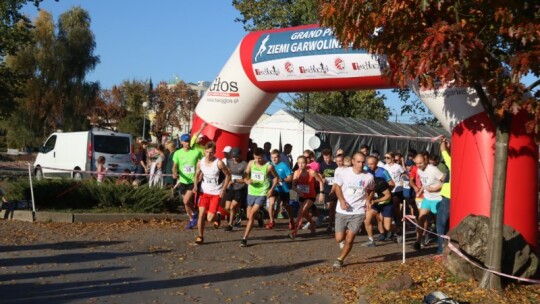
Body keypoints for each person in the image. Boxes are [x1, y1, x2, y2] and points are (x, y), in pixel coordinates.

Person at [332, 152, 374, 269]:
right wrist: (341, 200)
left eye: (363, 162)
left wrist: (368, 199)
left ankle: (340, 259)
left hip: (358, 211)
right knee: (339, 238)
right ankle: (345, 235)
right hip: (342, 210)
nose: (361, 164)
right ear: (353, 161)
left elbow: (371, 189)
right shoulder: (344, 173)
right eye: (358, 162)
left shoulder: (368, 177)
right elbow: (337, 187)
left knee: (350, 238)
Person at [193, 141, 231, 245]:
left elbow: (228, 175)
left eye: (211, 152)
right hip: (204, 192)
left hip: (216, 193)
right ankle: (200, 236)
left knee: (210, 218)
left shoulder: (218, 163)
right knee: (201, 215)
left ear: (214, 152)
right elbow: (196, 175)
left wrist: (223, 189)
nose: (209, 154)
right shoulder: (200, 162)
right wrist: (195, 185)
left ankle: (217, 217)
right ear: (204, 152)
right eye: (207, 152)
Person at [240, 147, 278, 247]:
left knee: (251, 215)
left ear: (264, 156)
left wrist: (271, 189)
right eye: (256, 158)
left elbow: (276, 178)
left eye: (260, 158)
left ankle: (244, 238)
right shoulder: (251, 163)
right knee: (248, 216)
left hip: (262, 192)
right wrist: (247, 180)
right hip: (251, 191)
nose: (258, 160)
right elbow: (245, 175)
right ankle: (260, 215)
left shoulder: (268, 166)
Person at [289, 155, 325, 240]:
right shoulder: (296, 173)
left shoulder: (311, 172)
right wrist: (298, 191)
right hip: (302, 195)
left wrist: (321, 193)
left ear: (306, 163)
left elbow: (320, 181)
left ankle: (295, 231)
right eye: (299, 163)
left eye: (303, 163)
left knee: (301, 211)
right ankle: (312, 223)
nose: (301, 165)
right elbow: (293, 186)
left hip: (311, 196)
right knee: (304, 212)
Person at [413, 154, 444, 251]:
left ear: (425, 160)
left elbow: (446, 181)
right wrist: (420, 191)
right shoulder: (418, 170)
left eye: (420, 163)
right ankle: (418, 241)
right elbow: (424, 182)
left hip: (437, 199)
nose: (418, 165)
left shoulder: (433, 170)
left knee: (439, 223)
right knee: (421, 219)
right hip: (427, 198)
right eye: (417, 163)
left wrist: (435, 189)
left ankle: (441, 245)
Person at [172, 134, 203, 229]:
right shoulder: (177, 153)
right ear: (181, 142)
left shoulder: (196, 152)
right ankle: (191, 219)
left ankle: (194, 214)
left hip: (192, 181)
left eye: (188, 141)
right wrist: (174, 172)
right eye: (185, 141)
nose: (187, 143)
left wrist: (200, 175)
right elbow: (174, 166)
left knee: (186, 201)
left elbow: (201, 164)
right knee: (186, 203)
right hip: (183, 181)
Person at [267, 149, 294, 230]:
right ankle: (272, 221)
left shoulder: (284, 165)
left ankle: (291, 219)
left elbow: (290, 178)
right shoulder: (269, 165)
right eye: (272, 157)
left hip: (283, 189)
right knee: (271, 204)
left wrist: (282, 180)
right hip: (274, 188)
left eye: (276, 157)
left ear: (279, 157)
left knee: (286, 205)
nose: (274, 159)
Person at [362, 177, 393, 247]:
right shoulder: (363, 182)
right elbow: (367, 194)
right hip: (375, 204)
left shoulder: (381, 183)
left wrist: (375, 201)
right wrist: (368, 201)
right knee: (367, 220)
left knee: (387, 227)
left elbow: (388, 196)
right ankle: (371, 240)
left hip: (386, 204)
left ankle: (397, 230)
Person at [224, 147, 248, 231]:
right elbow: (228, 173)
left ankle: (230, 224)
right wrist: (227, 183)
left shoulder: (244, 164)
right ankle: (239, 212)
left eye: (236, 157)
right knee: (227, 207)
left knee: (232, 207)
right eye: (233, 156)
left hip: (241, 187)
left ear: (240, 156)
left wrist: (235, 180)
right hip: (232, 187)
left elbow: (246, 180)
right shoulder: (229, 162)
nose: (234, 158)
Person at [383, 151, 405, 238]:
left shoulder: (398, 166)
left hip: (397, 189)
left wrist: (402, 181)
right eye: (385, 158)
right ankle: (391, 229)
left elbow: (404, 174)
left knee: (395, 209)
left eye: (388, 158)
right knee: (389, 209)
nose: (386, 159)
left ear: (392, 158)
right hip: (388, 190)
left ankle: (397, 226)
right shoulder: (384, 167)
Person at [436, 137, 451, 258]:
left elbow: (443, 151)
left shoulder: (453, 164)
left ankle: (441, 250)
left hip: (447, 198)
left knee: (441, 224)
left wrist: (442, 143)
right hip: (454, 198)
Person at [319, 148, 338, 233]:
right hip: (326, 189)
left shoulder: (335, 165)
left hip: (335, 189)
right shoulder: (322, 165)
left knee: (332, 207)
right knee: (330, 208)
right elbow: (321, 175)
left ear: (331, 157)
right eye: (324, 158)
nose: (326, 159)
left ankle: (331, 224)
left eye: (327, 157)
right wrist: (322, 179)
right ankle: (331, 223)